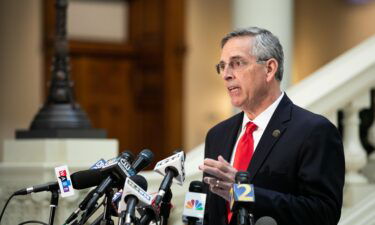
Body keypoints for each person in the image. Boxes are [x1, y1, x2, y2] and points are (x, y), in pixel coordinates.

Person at [198, 27, 345, 225]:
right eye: (222, 66)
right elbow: (211, 214)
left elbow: (323, 213)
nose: (226, 74)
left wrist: (244, 193)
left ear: (269, 69)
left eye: (237, 63)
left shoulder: (314, 131)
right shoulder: (217, 135)